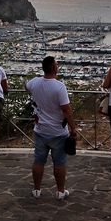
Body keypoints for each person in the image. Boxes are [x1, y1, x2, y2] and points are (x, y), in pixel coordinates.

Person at [25, 56, 78, 200]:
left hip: (40, 130)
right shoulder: (59, 87)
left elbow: (26, 86)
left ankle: (36, 190)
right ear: (54, 68)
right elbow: (67, 110)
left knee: (38, 161)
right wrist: (73, 129)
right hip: (58, 132)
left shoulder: (35, 82)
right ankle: (60, 191)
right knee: (59, 162)